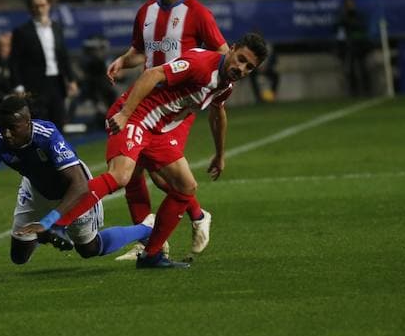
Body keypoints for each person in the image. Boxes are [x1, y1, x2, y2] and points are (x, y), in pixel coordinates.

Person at [20, 34, 269, 268]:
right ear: (232, 48)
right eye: (241, 60)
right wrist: (126, 113)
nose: (242, 69)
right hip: (137, 116)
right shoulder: (202, 64)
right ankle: (56, 224)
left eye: (249, 68)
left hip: (158, 130)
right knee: (121, 176)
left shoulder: (225, 85)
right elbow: (153, 74)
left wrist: (220, 154)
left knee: (186, 187)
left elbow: (217, 113)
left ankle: (151, 254)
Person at [105, 0, 228, 260]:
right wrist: (123, 60)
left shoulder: (198, 14)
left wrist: (215, 92)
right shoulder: (146, 11)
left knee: (163, 176)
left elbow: (224, 54)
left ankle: (191, 220)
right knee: (135, 173)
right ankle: (157, 238)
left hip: (175, 109)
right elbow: (140, 51)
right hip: (146, 100)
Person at [0, 94, 155, 265]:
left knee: (89, 249)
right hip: (36, 190)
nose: (7, 133)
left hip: (72, 192)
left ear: (28, 123)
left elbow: (80, 185)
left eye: (13, 127)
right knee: (19, 257)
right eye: (2, 126)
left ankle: (147, 227)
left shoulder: (47, 135)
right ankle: (46, 236)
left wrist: (49, 221)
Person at [10, 0, 77, 129]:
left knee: (59, 121)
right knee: (38, 124)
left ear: (49, 5)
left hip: (56, 82)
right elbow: (15, 60)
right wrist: (18, 85)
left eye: (43, 4)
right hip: (34, 84)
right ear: (30, 8)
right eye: (36, 6)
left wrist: (71, 80)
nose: (40, 8)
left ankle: (57, 151)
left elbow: (63, 56)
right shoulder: (22, 31)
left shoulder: (57, 28)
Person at [336, 0, 371, 96]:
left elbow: (361, 26)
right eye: (348, 3)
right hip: (349, 45)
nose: (350, 5)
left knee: (363, 67)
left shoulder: (358, 15)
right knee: (350, 68)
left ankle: (366, 88)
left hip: (360, 44)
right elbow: (338, 26)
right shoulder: (343, 16)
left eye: (351, 3)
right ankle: (353, 90)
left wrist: (350, 24)